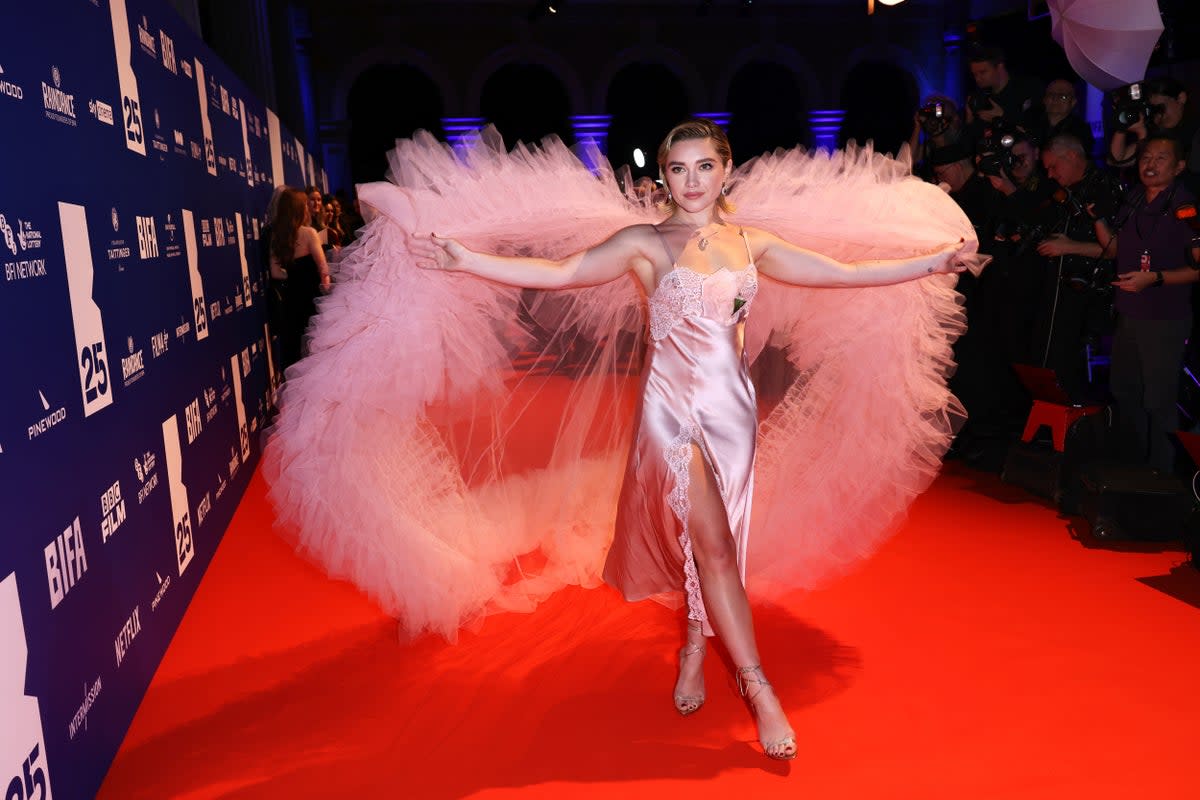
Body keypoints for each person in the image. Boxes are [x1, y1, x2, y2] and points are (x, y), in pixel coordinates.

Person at [263, 121, 978, 764]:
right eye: (678, 169)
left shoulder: (748, 243)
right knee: (718, 547)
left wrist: (930, 266)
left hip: (733, 415)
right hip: (673, 413)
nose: (691, 181)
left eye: (704, 167)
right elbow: (562, 272)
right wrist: (470, 261)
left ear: (723, 171)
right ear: (663, 176)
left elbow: (847, 275)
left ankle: (695, 643)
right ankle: (758, 688)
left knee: (715, 539)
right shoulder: (643, 244)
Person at [1099, 135, 1200, 472]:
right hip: (1129, 311)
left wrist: (1155, 278)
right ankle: (1134, 465)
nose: (1150, 164)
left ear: (1179, 166)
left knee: (1157, 398)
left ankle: (1163, 474)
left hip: (1164, 316)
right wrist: (1096, 217)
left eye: (1161, 158)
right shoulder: (1134, 199)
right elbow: (1113, 250)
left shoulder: (1186, 206)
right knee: (1124, 389)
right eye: (1146, 157)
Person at [269, 187, 331, 368]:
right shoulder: (310, 233)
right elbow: (323, 268)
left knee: (295, 352)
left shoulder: (277, 237)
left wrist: (292, 275)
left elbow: (275, 273)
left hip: (290, 299)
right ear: (299, 209)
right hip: (312, 296)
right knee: (315, 348)